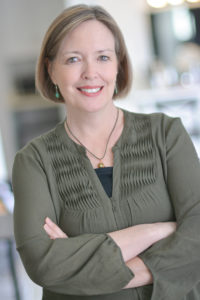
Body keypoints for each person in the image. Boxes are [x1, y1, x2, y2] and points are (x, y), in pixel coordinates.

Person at [12, 4, 200, 300]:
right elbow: (43, 263)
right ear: (51, 70)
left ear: (118, 65)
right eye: (73, 59)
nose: (90, 73)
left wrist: (83, 266)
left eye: (103, 57)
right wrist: (155, 232)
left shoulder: (166, 134)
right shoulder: (33, 162)